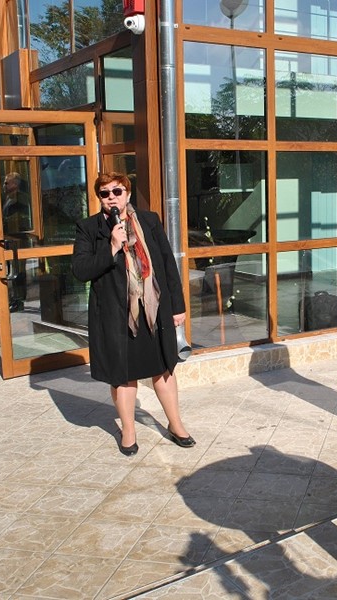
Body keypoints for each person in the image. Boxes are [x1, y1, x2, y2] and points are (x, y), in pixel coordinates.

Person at [71, 172, 194, 456]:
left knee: (164, 369)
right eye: (105, 193)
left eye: (117, 191)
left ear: (127, 193)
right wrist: (112, 247)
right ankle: (128, 430)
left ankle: (175, 424)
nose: (111, 197)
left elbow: (167, 263)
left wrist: (177, 306)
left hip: (154, 310)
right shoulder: (89, 228)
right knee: (123, 375)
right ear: (99, 198)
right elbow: (80, 270)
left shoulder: (149, 221)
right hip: (117, 316)